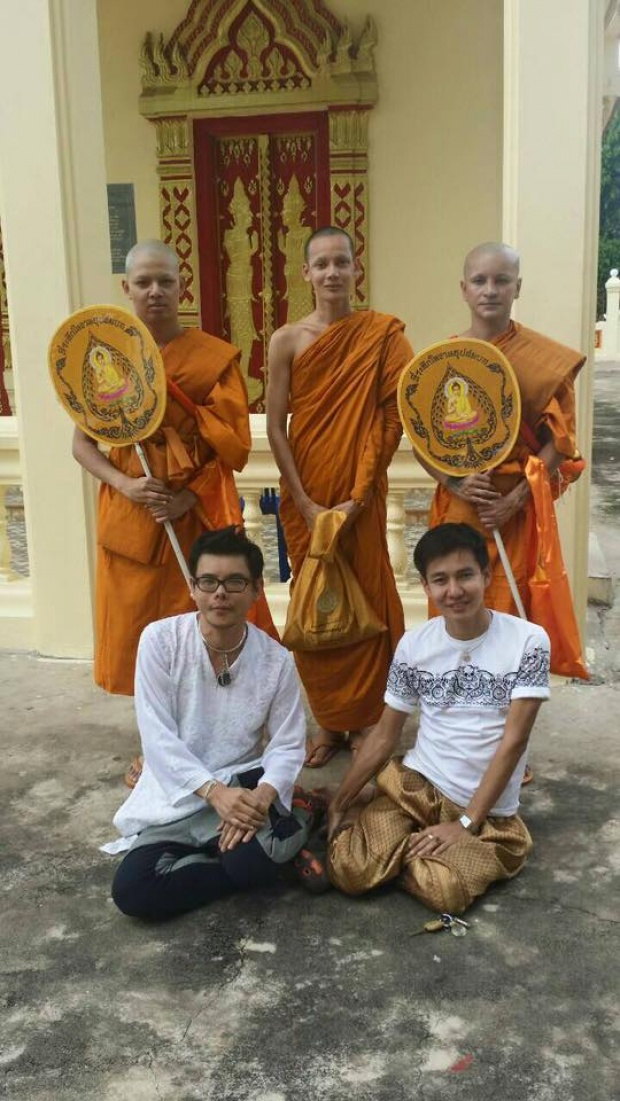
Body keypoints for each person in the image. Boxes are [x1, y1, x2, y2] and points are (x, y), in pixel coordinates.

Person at [72, 241, 276, 706]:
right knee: (138, 633)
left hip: (193, 519)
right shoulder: (109, 359)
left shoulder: (212, 360)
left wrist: (189, 497)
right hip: (133, 519)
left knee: (206, 624)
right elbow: (82, 445)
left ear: (182, 287)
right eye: (144, 282)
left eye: (166, 281)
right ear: (127, 288)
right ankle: (153, 739)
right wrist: (127, 485)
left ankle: (216, 726)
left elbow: (233, 446)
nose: (156, 291)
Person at [328, 523, 550, 915]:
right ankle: (396, 836)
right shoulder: (415, 645)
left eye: (465, 575)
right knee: (349, 871)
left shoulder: (528, 642)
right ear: (426, 587)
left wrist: (464, 824)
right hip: (415, 787)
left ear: (486, 576)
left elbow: (513, 741)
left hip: (486, 813)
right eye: (440, 580)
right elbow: (384, 735)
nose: (454, 591)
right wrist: (340, 802)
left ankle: (402, 849)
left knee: (444, 891)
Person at [108, 528, 327, 921]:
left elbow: (288, 743)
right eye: (208, 581)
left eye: (235, 582)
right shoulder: (160, 641)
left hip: (244, 788)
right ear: (193, 587)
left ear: (257, 589)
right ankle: (276, 845)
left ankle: (293, 817)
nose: (220, 593)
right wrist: (213, 794)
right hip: (177, 792)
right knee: (134, 891)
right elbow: (157, 738)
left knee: (248, 863)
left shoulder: (275, 660)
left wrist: (261, 798)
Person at [266, 226, 413, 767]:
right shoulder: (286, 340)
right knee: (317, 606)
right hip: (308, 497)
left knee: (367, 601)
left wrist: (358, 495)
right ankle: (329, 722)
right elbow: (277, 425)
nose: (332, 273)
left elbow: (395, 415)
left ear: (356, 269)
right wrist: (304, 502)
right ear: (305, 273)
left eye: (341, 263)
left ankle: (366, 720)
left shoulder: (383, 336)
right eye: (321, 264)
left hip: (362, 497)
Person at [424, 241, 586, 679]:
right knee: (453, 595)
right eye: (479, 280)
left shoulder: (543, 361)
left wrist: (514, 500)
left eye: (501, 280)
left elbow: (561, 442)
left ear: (518, 287)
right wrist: (454, 483)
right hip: (464, 505)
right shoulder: (444, 360)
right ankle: (454, 693)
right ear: (463, 288)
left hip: (513, 509)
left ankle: (506, 701)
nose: (490, 290)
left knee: (509, 602)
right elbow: (424, 438)